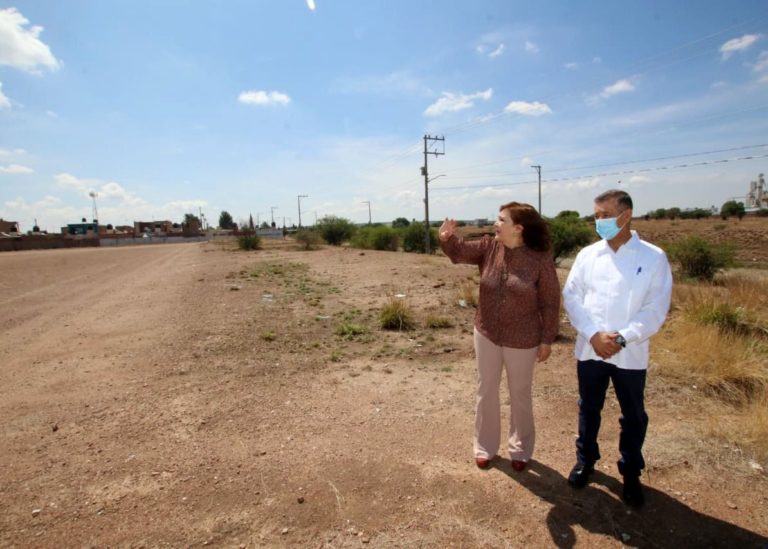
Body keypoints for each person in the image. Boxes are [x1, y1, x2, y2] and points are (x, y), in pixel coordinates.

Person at [562, 189, 673, 507]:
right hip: (590, 349)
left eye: (604, 215)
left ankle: (631, 474)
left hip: (630, 353)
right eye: (596, 216)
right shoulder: (587, 255)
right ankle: (586, 461)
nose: (599, 221)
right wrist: (594, 335)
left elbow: (655, 309)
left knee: (633, 417)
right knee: (589, 408)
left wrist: (621, 338)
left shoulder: (653, 257)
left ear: (625, 216)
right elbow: (572, 297)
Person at [439, 202, 560, 472]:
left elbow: (550, 302)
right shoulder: (488, 247)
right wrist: (446, 238)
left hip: (524, 338)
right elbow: (458, 252)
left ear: (518, 228)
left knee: (520, 395)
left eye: (500, 219)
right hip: (487, 332)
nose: (496, 223)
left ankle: (520, 448)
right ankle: (484, 447)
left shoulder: (539, 259)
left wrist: (547, 339)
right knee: (486, 390)